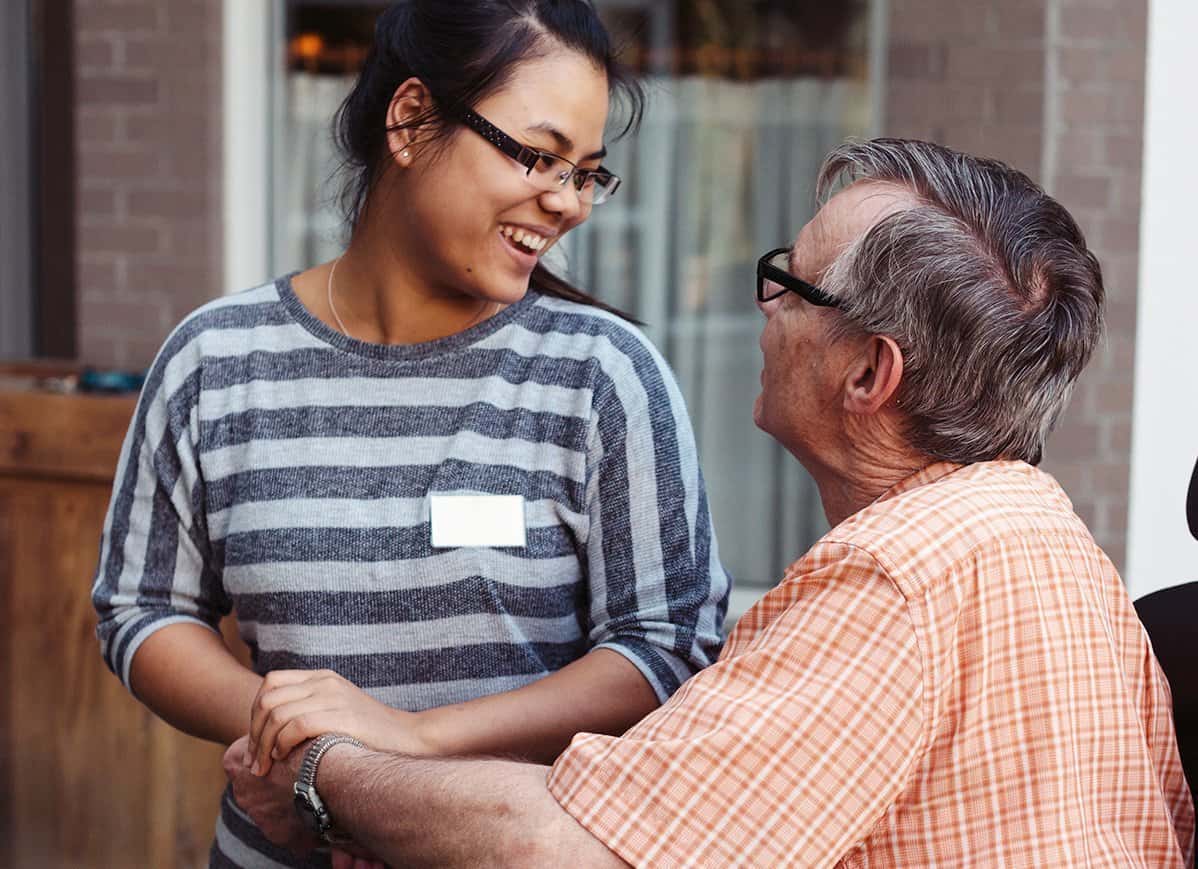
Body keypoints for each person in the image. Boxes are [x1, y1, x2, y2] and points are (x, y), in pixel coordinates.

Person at [225, 138, 1195, 867]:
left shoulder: (895, 576)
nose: (762, 310)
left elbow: (575, 846)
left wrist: (322, 771)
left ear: (868, 372)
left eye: (788, 284)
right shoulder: (1051, 536)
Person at [90, 2, 730, 867]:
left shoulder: (603, 374)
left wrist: (403, 752)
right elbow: (142, 609)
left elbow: (669, 645)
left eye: (587, 173)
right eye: (540, 157)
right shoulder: (215, 360)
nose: (569, 202)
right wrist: (296, 747)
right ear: (411, 120)